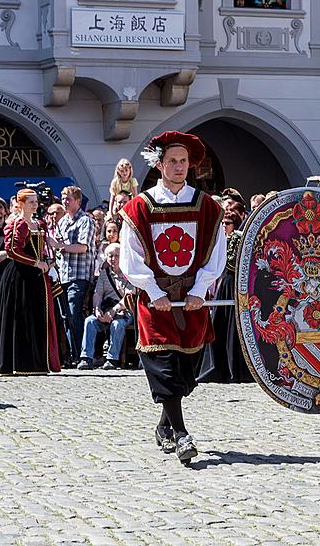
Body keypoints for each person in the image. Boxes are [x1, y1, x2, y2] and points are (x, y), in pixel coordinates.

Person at [120, 131, 226, 464]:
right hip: (156, 303)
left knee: (187, 372)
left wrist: (199, 291)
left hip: (191, 301)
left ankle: (164, 425)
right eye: (172, 161)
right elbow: (131, 256)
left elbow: (215, 254)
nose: (178, 167)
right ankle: (181, 434)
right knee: (164, 366)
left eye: (183, 161)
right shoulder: (139, 207)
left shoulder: (207, 207)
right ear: (160, 165)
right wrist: (152, 290)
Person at [0, 189, 63, 375]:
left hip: (36, 277)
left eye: (36, 201)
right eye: (30, 202)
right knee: (19, 318)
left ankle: (35, 361)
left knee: (35, 317)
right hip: (19, 276)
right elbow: (12, 250)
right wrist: (36, 262)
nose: (35, 204)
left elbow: (46, 247)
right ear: (20, 204)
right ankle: (18, 362)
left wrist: (49, 260)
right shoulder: (17, 224)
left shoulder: (39, 223)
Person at [196, 206, 252, 384]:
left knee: (233, 328)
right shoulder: (225, 239)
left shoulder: (236, 238)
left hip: (232, 283)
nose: (224, 226)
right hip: (225, 284)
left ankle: (232, 368)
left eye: (227, 223)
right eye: (222, 223)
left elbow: (230, 263)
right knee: (221, 326)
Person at [77, 243, 135, 371]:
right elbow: (98, 293)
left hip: (124, 311)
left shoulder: (130, 274)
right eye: (110, 256)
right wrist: (97, 308)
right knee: (90, 321)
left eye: (117, 255)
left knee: (117, 325)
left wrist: (114, 311)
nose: (113, 259)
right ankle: (86, 358)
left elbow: (129, 297)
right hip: (106, 308)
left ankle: (112, 359)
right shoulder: (104, 274)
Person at [57, 186, 97, 367]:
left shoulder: (85, 221)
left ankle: (84, 354)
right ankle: (72, 355)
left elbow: (82, 247)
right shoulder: (62, 221)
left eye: (69, 199)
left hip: (80, 274)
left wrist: (60, 246)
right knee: (66, 316)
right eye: (63, 198)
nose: (65, 202)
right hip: (64, 274)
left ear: (78, 201)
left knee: (75, 312)